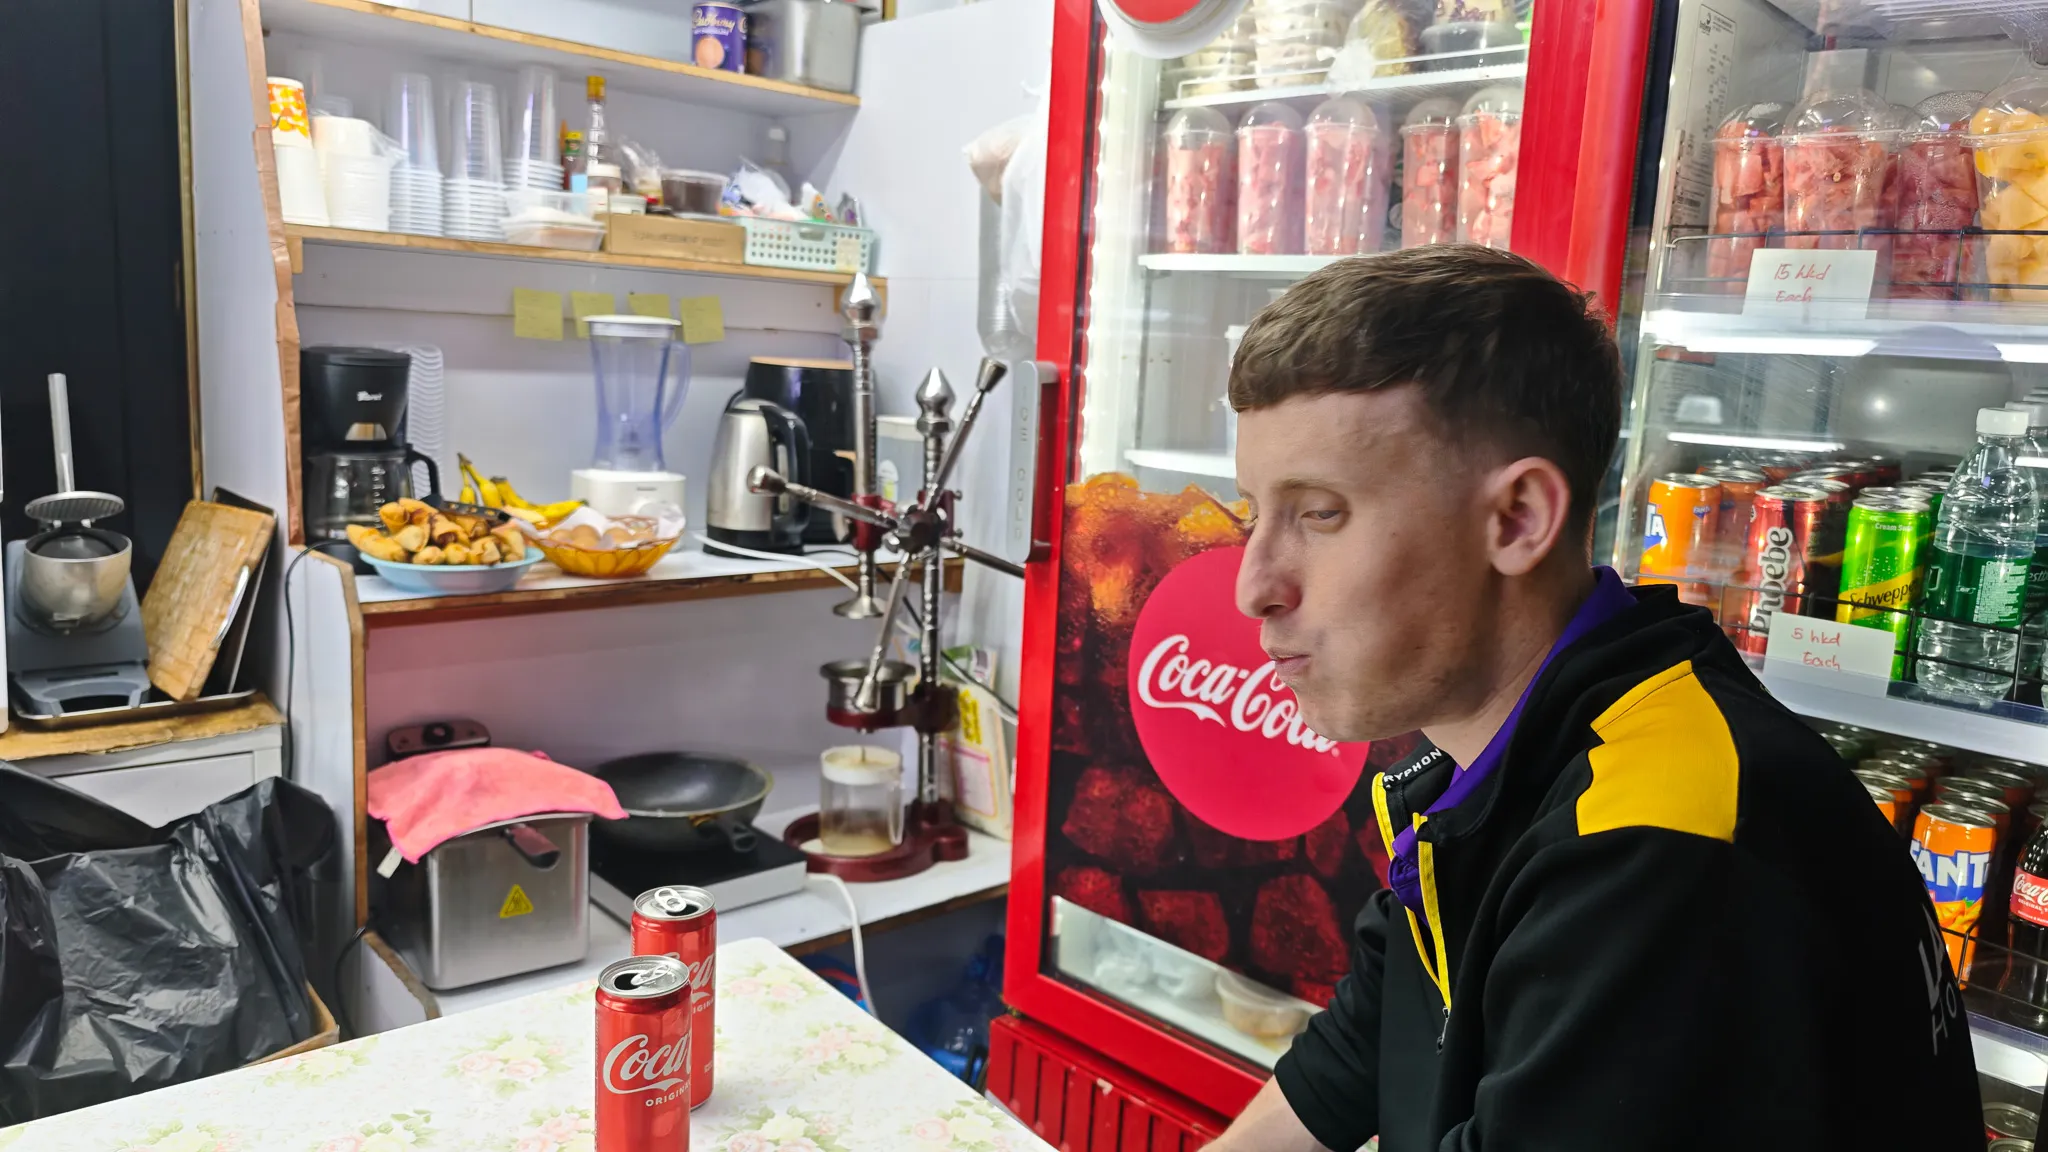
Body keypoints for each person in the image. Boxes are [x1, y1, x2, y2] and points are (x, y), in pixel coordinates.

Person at [1207, 246, 1981, 1151]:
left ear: (1518, 519)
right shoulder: (1502, 757)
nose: (1253, 585)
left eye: (1321, 513)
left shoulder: (1660, 844)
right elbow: (1352, 1057)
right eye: (1254, 512)